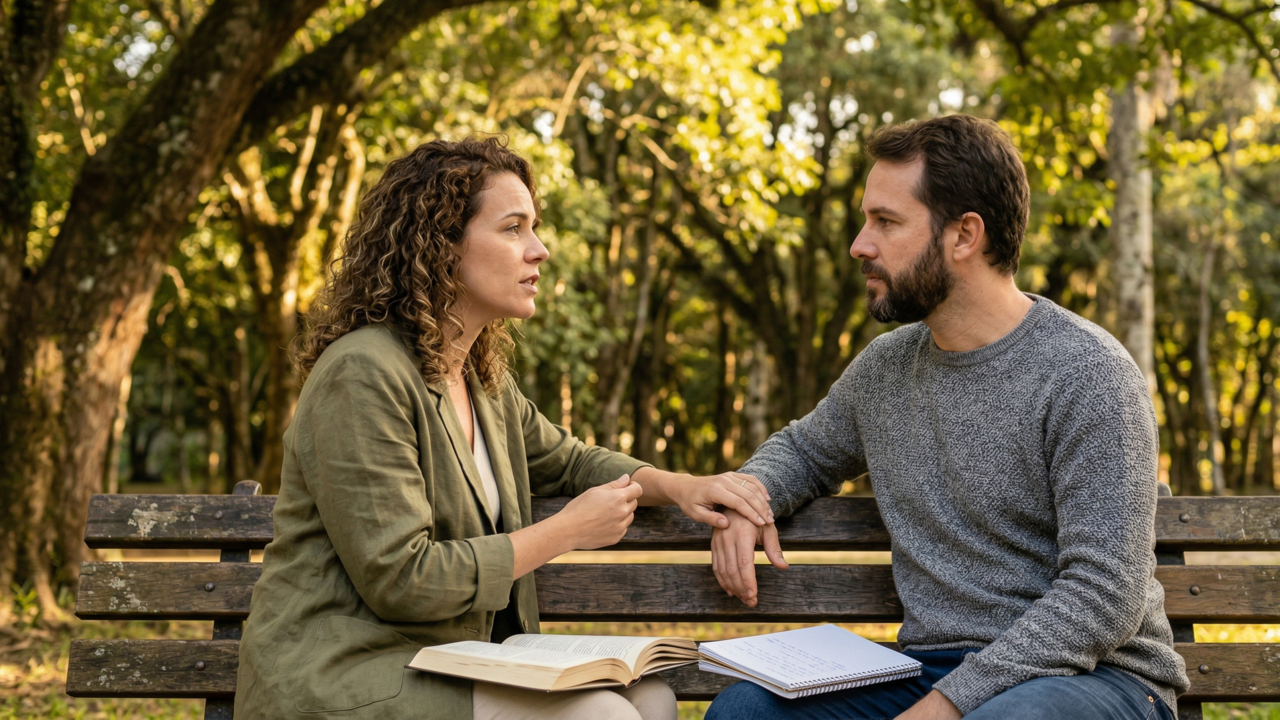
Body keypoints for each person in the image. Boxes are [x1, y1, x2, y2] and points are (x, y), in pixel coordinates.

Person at [233, 137, 775, 720]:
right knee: (605, 716)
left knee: (651, 697)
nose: (539, 250)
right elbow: (401, 578)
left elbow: (570, 461)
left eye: (533, 228)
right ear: (440, 244)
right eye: (514, 228)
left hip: (451, 661)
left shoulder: (481, 381)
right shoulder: (362, 372)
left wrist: (680, 486)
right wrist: (566, 531)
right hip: (344, 673)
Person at [704, 115, 1190, 720]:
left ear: (964, 235)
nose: (860, 244)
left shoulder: (1088, 373)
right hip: (932, 669)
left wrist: (949, 706)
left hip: (1098, 677)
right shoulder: (886, 368)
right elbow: (805, 451)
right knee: (745, 712)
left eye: (885, 222)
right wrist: (748, 497)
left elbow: (1104, 594)